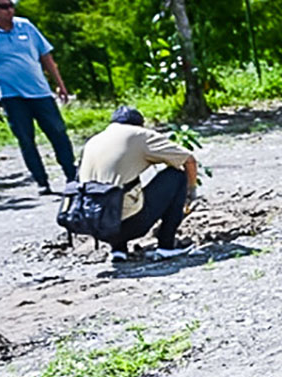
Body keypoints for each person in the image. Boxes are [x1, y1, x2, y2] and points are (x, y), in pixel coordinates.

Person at [0, 0, 76, 194]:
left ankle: (71, 174)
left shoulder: (26, 26)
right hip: (11, 95)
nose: (9, 11)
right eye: (3, 7)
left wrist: (60, 85)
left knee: (58, 133)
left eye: (11, 6)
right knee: (26, 139)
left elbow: (46, 56)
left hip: (40, 91)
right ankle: (42, 181)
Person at [76, 106, 198, 262]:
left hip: (94, 225)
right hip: (130, 226)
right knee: (176, 176)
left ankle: (118, 250)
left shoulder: (94, 140)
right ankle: (167, 246)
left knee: (117, 184)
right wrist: (192, 190)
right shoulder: (140, 135)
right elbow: (188, 159)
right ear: (140, 124)